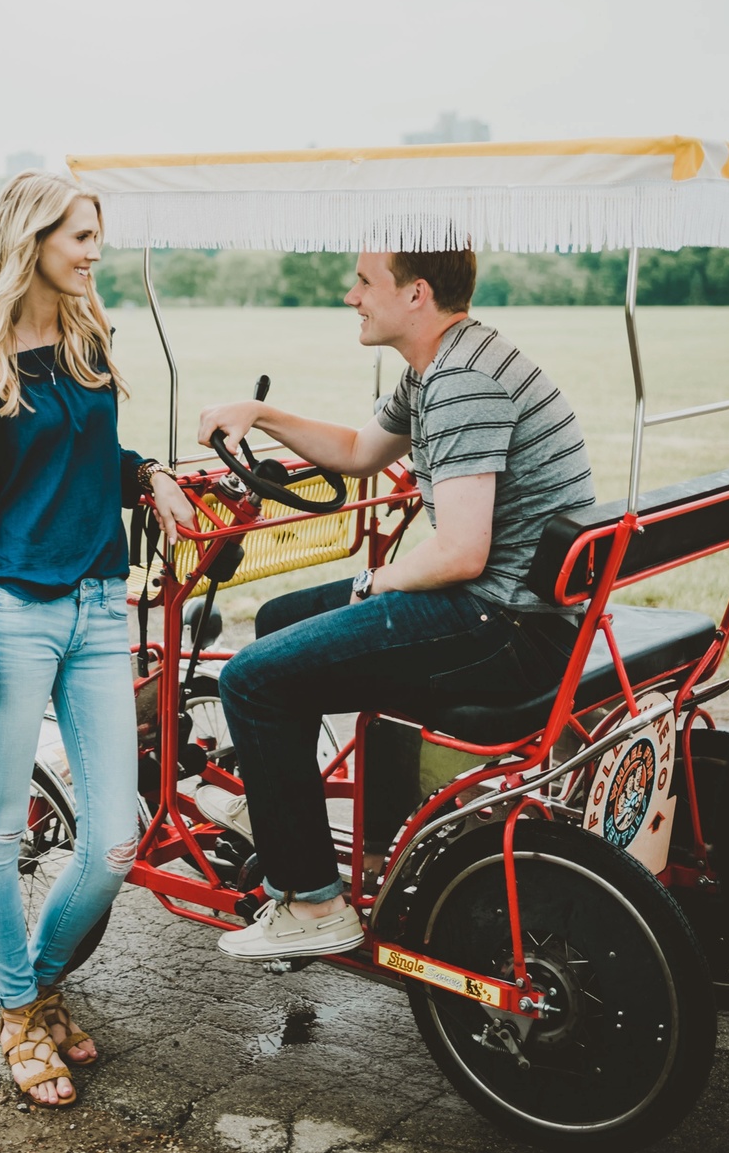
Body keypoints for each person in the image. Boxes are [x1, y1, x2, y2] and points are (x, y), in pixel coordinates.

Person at [193, 247, 597, 960]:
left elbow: (459, 554)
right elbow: (356, 451)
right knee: (278, 620)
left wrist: (367, 586)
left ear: (416, 293)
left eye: (363, 281)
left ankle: (314, 904)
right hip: (511, 609)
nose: (350, 295)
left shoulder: (463, 381)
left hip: (503, 627)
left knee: (248, 678)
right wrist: (258, 414)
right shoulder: (440, 364)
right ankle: (281, 809)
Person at [0, 173, 195, 1108]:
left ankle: (37, 982)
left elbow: (84, 461)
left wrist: (148, 475)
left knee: (116, 838)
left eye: (96, 235)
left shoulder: (88, 336)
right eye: (80, 236)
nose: (93, 251)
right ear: (33, 237)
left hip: (97, 603)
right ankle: (16, 1013)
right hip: (10, 614)